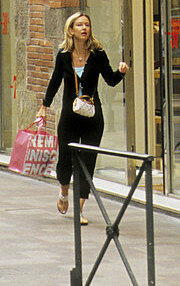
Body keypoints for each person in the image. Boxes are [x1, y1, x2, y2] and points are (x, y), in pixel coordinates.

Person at [37, 11, 128, 225]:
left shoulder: (98, 54)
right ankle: (63, 191)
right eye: (79, 25)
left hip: (92, 118)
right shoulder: (63, 56)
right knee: (65, 160)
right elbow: (54, 82)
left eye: (87, 24)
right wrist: (44, 107)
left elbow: (111, 80)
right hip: (69, 117)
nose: (84, 28)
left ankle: (78, 209)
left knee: (87, 162)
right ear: (71, 30)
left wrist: (121, 72)